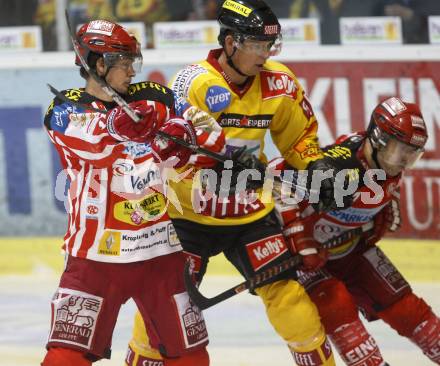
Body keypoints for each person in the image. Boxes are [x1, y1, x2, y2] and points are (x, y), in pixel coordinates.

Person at [126, 1, 347, 365]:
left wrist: (317, 168)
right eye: (258, 45)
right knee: (162, 308)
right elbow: (174, 141)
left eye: (270, 46)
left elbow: (297, 140)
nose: (266, 54)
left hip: (248, 213)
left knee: (289, 298)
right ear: (230, 43)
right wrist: (220, 157)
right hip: (188, 216)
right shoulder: (193, 82)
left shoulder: (279, 82)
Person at [41, 19, 226, 366]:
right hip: (95, 259)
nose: (131, 71)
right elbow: (94, 141)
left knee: (192, 358)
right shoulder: (64, 110)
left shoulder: (154, 97)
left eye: (132, 62)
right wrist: (123, 126)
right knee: (65, 358)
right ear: (99, 65)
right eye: (124, 63)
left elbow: (211, 133)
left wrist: (183, 134)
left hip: (161, 254)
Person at [275, 97, 440, 365]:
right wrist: (298, 236)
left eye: (412, 155)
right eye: (400, 152)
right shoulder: (342, 167)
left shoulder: (382, 163)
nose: (403, 163)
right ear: (376, 139)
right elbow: (279, 181)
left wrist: (381, 208)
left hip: (347, 246)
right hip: (303, 257)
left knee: (407, 308)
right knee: (337, 307)